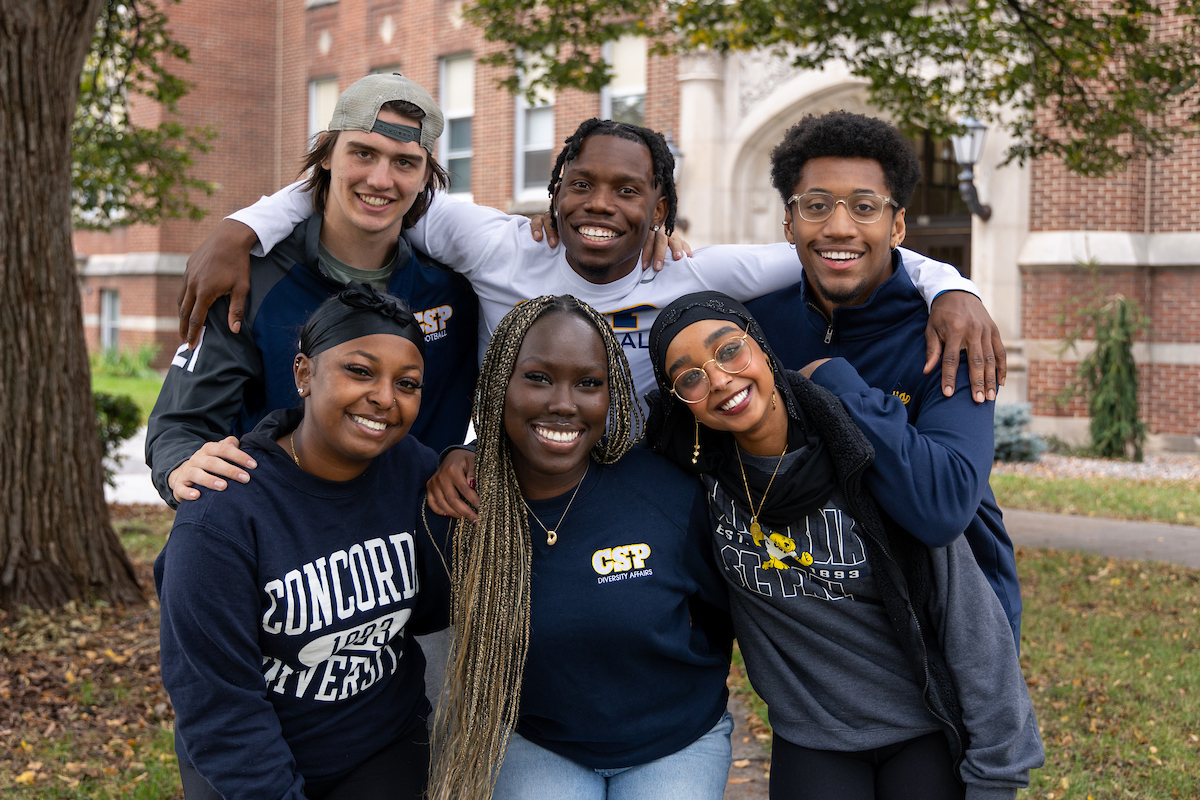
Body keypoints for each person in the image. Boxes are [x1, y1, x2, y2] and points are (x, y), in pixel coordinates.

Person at [177, 118, 1004, 412]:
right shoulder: (493, 243)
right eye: (582, 185)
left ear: (660, 212)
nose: (601, 204)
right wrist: (242, 228)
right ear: (554, 193)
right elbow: (365, 190)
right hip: (508, 480)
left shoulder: (696, 271)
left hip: (639, 488)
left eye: (627, 191)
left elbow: (839, 239)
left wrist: (954, 285)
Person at [645, 291, 1043, 800]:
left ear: (763, 349)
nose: (720, 379)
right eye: (690, 377)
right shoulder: (698, 483)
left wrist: (999, 774)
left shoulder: (864, 453)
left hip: (920, 727)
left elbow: (968, 619)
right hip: (813, 738)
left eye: (729, 350)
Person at [429, 295, 734, 800]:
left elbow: (723, 614)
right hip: (540, 740)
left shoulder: (665, 492)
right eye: (538, 378)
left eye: (589, 383)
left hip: (675, 739)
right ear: (497, 384)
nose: (564, 403)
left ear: (611, 395)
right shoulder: (464, 503)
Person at [156, 285, 452, 800]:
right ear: (303, 374)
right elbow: (218, 705)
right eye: (359, 371)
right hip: (248, 755)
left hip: (381, 746)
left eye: (407, 383)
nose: (384, 397)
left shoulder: (415, 473)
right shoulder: (223, 510)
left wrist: (459, 460)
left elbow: (432, 609)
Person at [744, 111, 1022, 641]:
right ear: (789, 222)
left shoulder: (950, 333)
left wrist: (836, 385)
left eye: (864, 208)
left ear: (896, 226)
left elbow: (943, 506)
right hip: (823, 645)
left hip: (950, 639)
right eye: (817, 205)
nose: (839, 227)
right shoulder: (757, 322)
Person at [146, 72, 478, 507]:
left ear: (424, 177)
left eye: (404, 162)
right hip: (284, 542)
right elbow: (181, 424)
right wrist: (183, 465)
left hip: (410, 548)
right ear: (326, 155)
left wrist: (468, 454)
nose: (381, 180)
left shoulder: (456, 289)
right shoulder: (251, 279)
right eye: (363, 153)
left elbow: (526, 405)